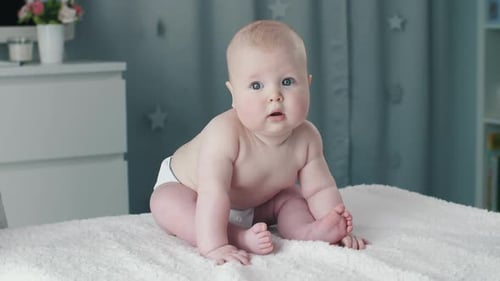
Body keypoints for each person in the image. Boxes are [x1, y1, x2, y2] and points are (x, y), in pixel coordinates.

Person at [150, 20, 367, 265]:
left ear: (307, 84)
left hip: (254, 202)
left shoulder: (307, 138)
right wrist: (216, 246)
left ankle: (311, 231)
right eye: (256, 85)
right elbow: (214, 192)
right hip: (193, 191)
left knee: (291, 198)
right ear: (233, 94)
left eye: (287, 82)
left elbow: (319, 189)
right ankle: (237, 237)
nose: (274, 95)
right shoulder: (225, 133)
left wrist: (337, 222)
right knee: (165, 203)